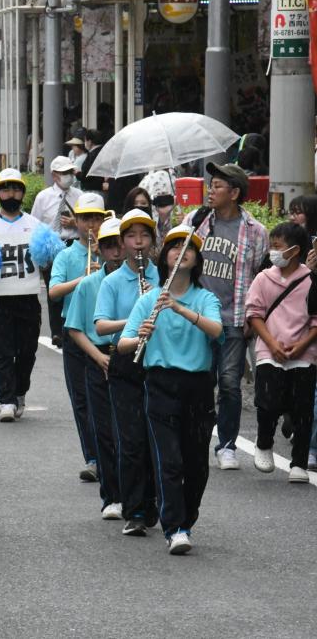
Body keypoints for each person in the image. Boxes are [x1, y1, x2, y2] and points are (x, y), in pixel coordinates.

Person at [118, 225, 222, 555]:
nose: (181, 251)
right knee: (169, 460)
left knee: (196, 465)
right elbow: (122, 344)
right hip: (160, 384)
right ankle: (175, 528)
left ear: (197, 259)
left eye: (188, 247)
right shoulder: (149, 299)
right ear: (165, 257)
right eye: (174, 246)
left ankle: (186, 519)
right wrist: (140, 337)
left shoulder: (205, 298)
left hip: (198, 386)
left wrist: (179, 309)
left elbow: (216, 330)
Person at [184, 162, 268, 471]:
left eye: (218, 186)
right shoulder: (197, 220)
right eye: (211, 185)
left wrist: (251, 314)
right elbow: (178, 256)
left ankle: (227, 444)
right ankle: (196, 437)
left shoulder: (256, 231)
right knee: (200, 380)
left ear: (234, 193)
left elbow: (260, 273)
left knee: (230, 383)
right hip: (199, 314)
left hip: (234, 318)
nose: (211, 191)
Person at [93, 208, 160, 534]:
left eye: (144, 236)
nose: (138, 243)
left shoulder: (162, 276)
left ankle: (155, 503)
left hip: (158, 361)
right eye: (131, 236)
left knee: (155, 439)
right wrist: (136, 315)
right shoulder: (112, 281)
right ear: (121, 242)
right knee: (131, 439)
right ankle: (134, 510)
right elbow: (101, 326)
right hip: (124, 361)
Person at [245, 222, 316, 482]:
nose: (273, 252)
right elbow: (254, 313)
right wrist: (272, 344)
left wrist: (301, 345)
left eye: (278, 247)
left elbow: (315, 320)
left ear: (295, 250)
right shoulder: (264, 277)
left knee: (303, 408)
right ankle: (264, 442)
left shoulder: (311, 280)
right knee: (267, 401)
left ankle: (299, 463)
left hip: (304, 353)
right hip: (268, 350)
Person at [64, 217, 125, 517]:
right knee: (101, 428)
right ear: (99, 250)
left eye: (119, 245)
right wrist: (97, 357)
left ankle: (134, 493)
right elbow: (75, 328)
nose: (115, 252)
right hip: (97, 355)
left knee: (128, 428)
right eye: (109, 246)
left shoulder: (143, 280)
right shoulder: (88, 284)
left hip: (129, 357)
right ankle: (111, 495)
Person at [0, 169, 42, 422]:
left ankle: (20, 391)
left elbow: (45, 258)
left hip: (27, 295)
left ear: (22, 193)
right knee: (1, 349)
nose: (10, 194)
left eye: (15, 189)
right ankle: (6, 400)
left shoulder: (35, 225)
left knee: (27, 350)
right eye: (5, 189)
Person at [49, 193, 106, 481]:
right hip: (74, 331)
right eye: (86, 219)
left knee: (107, 398)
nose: (92, 224)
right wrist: (83, 279)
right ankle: (93, 457)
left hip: (106, 333)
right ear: (77, 222)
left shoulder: (111, 252)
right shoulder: (67, 254)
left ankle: (109, 452)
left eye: (97, 218)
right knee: (81, 398)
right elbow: (53, 291)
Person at [31, 155, 83, 347]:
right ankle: (57, 332)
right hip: (52, 246)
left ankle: (74, 327)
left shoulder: (79, 195)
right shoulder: (43, 197)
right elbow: (35, 224)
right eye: (64, 173)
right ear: (54, 175)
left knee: (76, 288)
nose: (69, 176)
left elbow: (88, 223)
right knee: (55, 291)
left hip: (74, 243)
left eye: (71, 172)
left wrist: (74, 222)